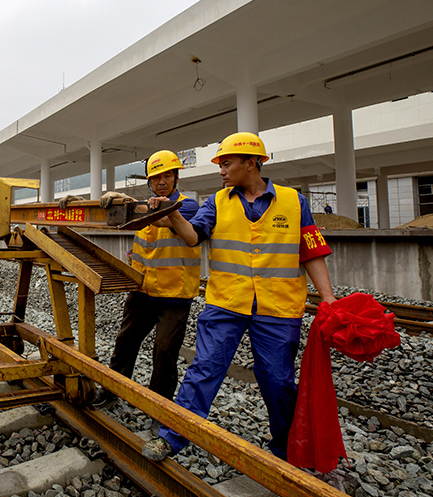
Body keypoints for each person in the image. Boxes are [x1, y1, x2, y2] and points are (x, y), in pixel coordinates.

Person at [142, 132, 335, 462]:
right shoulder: (216, 203)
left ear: (251, 163)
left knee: (278, 382)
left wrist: (328, 299)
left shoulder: (293, 201)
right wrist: (174, 214)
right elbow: (191, 237)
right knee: (204, 369)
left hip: (278, 307)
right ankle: (172, 437)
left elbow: (311, 251)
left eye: (226, 163)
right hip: (226, 303)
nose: (221, 171)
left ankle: (285, 449)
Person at [91, 150, 201, 412]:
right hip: (142, 291)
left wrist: (125, 200)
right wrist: (115, 201)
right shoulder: (146, 204)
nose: (161, 181)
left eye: (167, 176)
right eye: (156, 178)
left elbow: (163, 217)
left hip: (175, 295)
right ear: (149, 181)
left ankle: (159, 408)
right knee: (125, 341)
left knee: (164, 352)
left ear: (176, 178)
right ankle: (112, 389)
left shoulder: (189, 205)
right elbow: (129, 216)